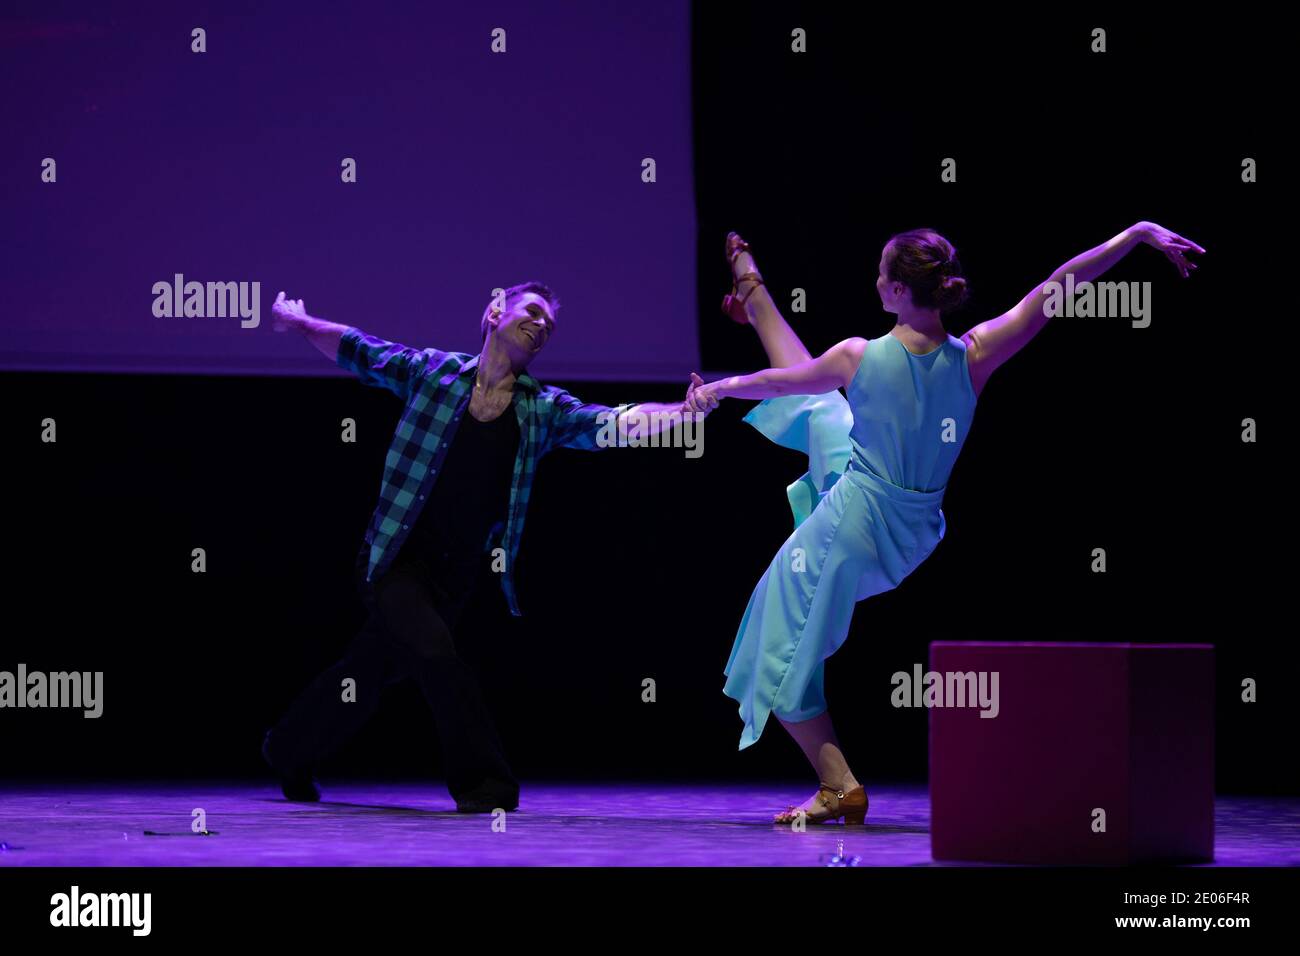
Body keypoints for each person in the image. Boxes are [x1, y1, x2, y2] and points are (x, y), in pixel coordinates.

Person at [688, 223, 1204, 824]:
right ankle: (755, 299)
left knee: (772, 647)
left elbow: (779, 380)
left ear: (902, 291)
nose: (875, 281)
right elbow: (1058, 287)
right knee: (823, 412)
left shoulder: (858, 355)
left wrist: (719, 390)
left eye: (883, 273)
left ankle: (839, 785)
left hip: (852, 523)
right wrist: (1136, 235)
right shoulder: (976, 355)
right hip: (909, 529)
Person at [261, 282, 705, 812]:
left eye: (550, 326)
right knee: (433, 653)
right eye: (533, 313)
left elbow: (607, 424)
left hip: (453, 576)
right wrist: (301, 322)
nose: (542, 327)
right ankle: (485, 784)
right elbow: (361, 350)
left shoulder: (540, 409)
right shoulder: (434, 372)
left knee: (369, 670)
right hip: (394, 556)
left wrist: (682, 414)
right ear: (495, 312)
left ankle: (288, 749)